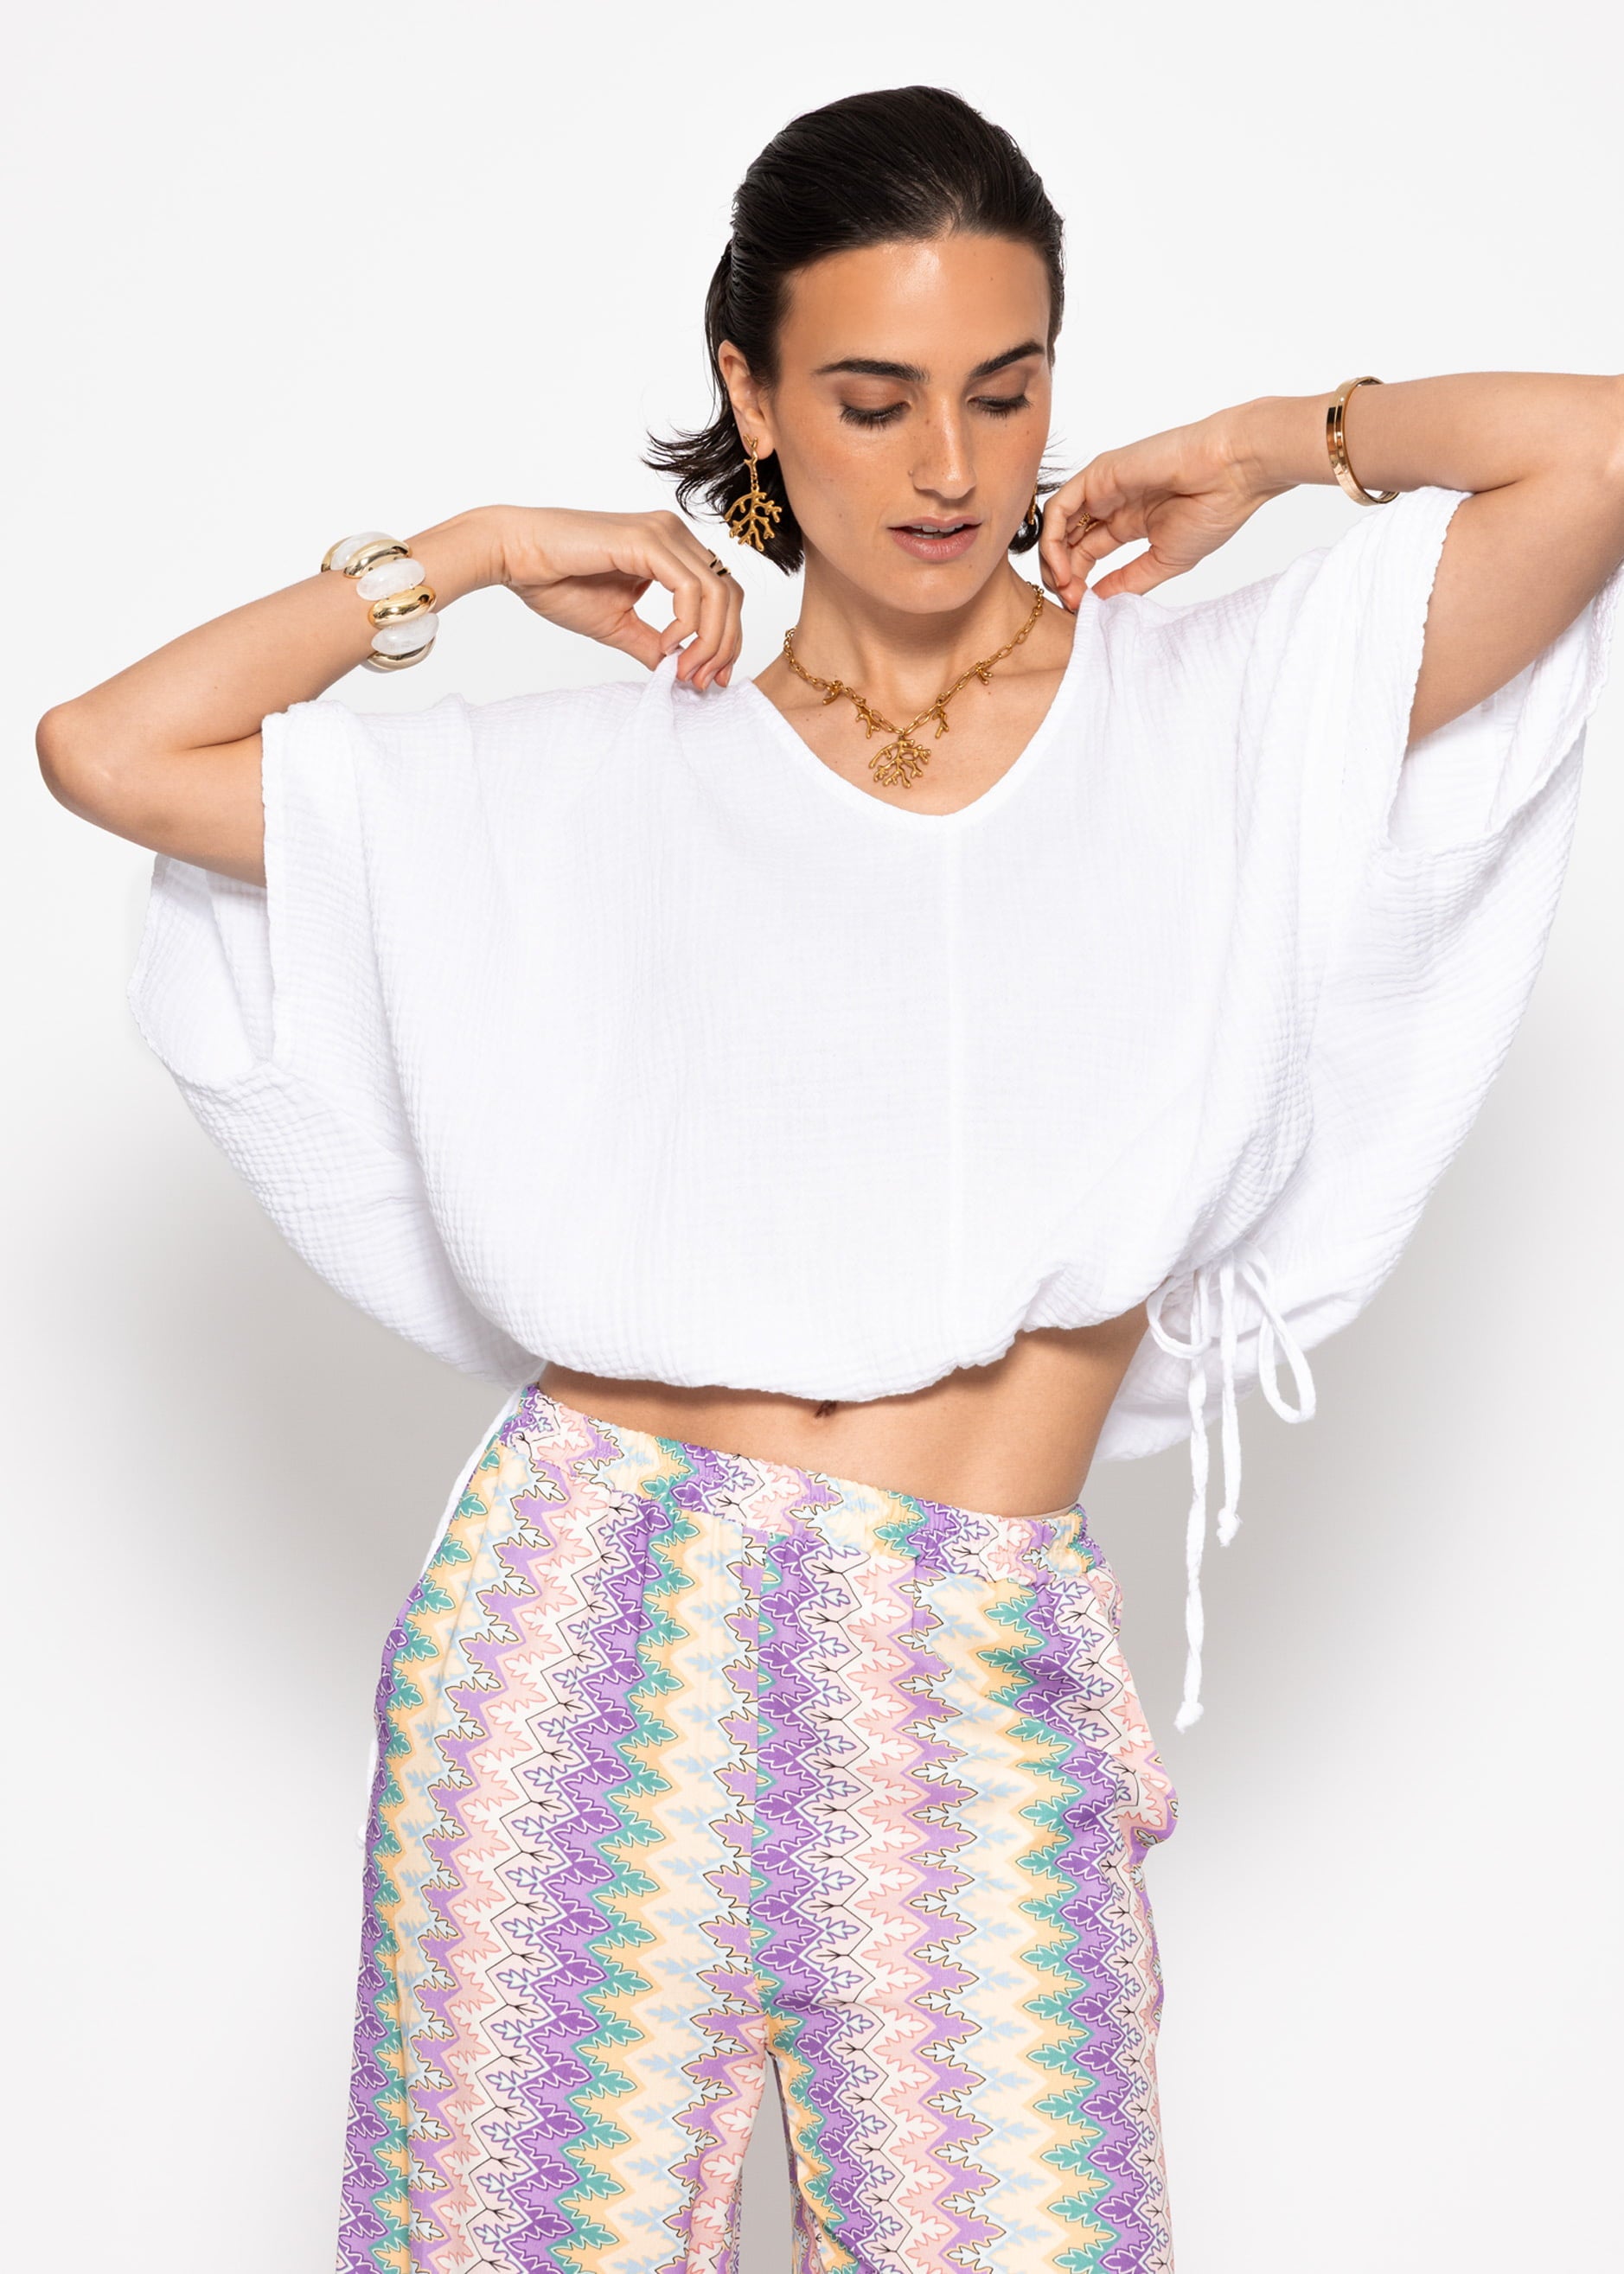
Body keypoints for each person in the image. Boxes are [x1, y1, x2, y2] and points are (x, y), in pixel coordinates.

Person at [36, 80, 1622, 2274]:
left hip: (969, 1659)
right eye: (873, 401)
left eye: (1007, 387)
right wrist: (475, 553)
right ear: (754, 395)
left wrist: (1270, 442)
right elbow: (109, 752)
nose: (952, 466)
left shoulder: (1227, 711)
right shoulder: (592, 787)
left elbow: (1598, 455)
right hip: (586, 1642)